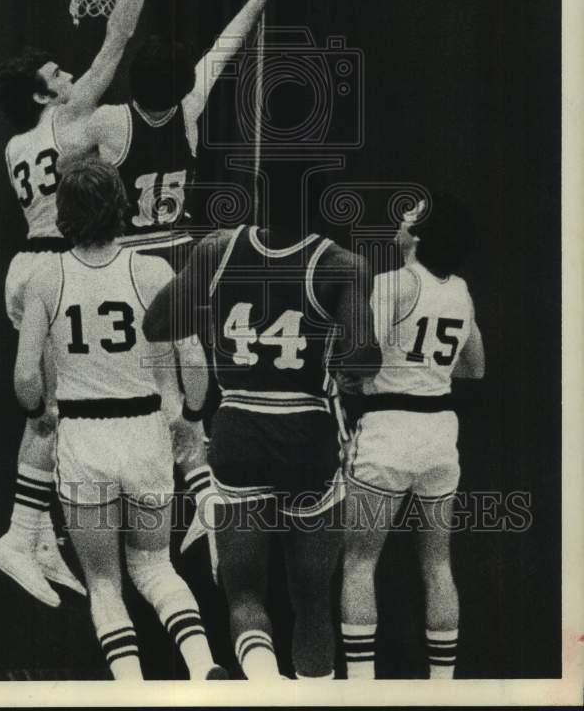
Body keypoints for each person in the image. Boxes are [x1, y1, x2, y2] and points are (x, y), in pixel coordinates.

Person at [56, 0, 303, 570]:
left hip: (131, 262)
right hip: (182, 259)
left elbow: (63, 147)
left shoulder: (114, 121)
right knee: (182, 395)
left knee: (137, 395)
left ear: (134, 83)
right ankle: (206, 500)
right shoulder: (189, 108)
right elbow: (226, 46)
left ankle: (78, 514)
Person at [0, 0, 170, 606]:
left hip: (26, 263)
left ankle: (32, 533)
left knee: (54, 405)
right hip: (54, 265)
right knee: (53, 406)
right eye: (58, 72)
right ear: (43, 93)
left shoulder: (13, 147)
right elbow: (118, 38)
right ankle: (18, 531)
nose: (71, 74)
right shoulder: (65, 121)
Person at [14, 158, 227, 680]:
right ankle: (203, 667)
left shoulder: (45, 275)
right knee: (155, 566)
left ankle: (130, 687)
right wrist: (193, 415)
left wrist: (39, 413)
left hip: (85, 438)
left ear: (63, 212)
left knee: (105, 582)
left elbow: (24, 376)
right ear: (120, 208)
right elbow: (194, 360)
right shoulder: (152, 270)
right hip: (145, 432)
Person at [143, 221, 381, 680]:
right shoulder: (343, 263)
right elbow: (363, 363)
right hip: (307, 435)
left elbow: (156, 324)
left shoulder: (218, 250)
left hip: (240, 431)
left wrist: (206, 289)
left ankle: (267, 685)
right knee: (312, 599)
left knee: (245, 594)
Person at [340, 193, 485, 680]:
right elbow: (475, 367)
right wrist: (428, 368)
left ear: (419, 234)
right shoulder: (461, 289)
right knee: (438, 565)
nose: (402, 218)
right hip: (441, 432)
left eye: (410, 216)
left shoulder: (391, 284)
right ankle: (442, 686)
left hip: (389, 428)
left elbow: (360, 358)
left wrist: (352, 380)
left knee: (360, 563)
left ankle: (362, 688)